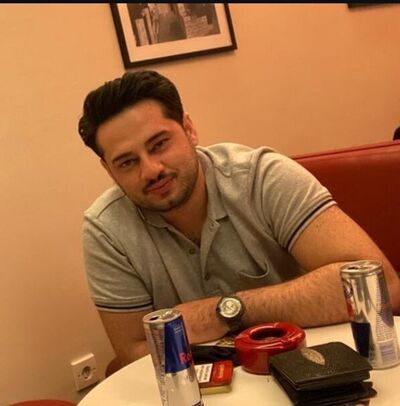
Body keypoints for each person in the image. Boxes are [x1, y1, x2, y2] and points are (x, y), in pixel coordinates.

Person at [78, 70, 400, 368]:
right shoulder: (106, 229)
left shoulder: (262, 177)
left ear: (189, 130)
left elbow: (381, 286)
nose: (150, 170)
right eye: (127, 162)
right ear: (109, 170)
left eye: (159, 144)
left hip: (311, 366)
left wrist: (222, 312)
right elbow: (133, 352)